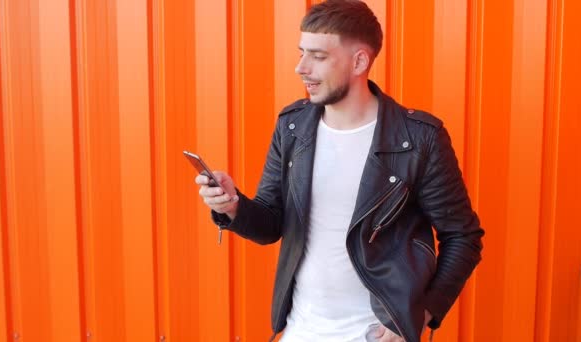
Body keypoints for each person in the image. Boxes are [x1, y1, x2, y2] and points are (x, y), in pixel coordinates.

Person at [194, 0, 484, 341]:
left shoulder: (418, 138)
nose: (300, 67)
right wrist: (233, 207)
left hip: (374, 333)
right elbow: (271, 224)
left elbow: (463, 237)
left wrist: (420, 315)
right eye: (302, 52)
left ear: (359, 61)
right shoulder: (293, 127)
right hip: (301, 330)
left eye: (318, 56)